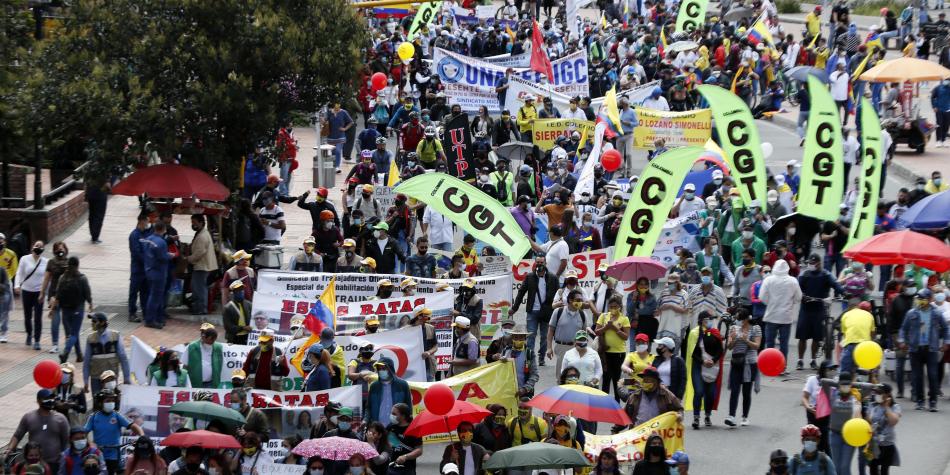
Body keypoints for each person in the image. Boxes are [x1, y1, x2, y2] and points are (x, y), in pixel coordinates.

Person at [898, 288, 949, 411]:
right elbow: (903, 329)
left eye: (923, 299)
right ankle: (920, 401)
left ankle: (932, 402)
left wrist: (946, 342)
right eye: (919, 299)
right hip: (915, 349)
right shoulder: (911, 313)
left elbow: (946, 328)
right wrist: (902, 341)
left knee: (932, 375)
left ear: (930, 299)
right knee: (917, 376)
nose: (921, 301)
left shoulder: (936, 313)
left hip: (931, 349)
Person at [797, 254, 844, 370]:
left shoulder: (826, 275)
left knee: (817, 337)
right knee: (802, 337)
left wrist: (843, 292)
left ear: (819, 263)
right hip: (806, 308)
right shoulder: (804, 275)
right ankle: (800, 360)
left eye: (813, 263)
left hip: (819, 309)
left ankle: (813, 360)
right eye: (809, 263)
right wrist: (802, 296)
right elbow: (797, 289)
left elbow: (836, 285)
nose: (810, 265)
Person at [6, 390, 70, 474]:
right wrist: (9, 449)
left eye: (51, 398)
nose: (50, 400)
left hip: (54, 463)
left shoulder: (61, 419)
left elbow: (66, 441)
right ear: (38, 401)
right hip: (33, 464)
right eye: (47, 398)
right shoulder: (28, 417)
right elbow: (17, 435)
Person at [85, 391, 144, 474]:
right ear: (100, 403)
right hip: (98, 454)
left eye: (112, 400)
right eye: (107, 401)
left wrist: (142, 436)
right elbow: (84, 433)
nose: (111, 403)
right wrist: (90, 443)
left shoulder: (117, 415)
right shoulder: (93, 417)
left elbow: (133, 426)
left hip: (113, 454)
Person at [759, 260, 802, 370]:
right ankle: (782, 366)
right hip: (786, 317)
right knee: (784, 344)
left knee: (770, 344)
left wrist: (770, 303)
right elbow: (798, 297)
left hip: (771, 315)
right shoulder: (793, 281)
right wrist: (790, 303)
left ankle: (769, 366)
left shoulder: (768, 280)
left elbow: (762, 297)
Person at [685, 311, 724, 429]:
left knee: (710, 393)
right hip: (698, 366)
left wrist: (714, 360)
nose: (711, 321)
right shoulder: (694, 333)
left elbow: (720, 350)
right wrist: (703, 362)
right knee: (699, 391)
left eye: (712, 319)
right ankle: (696, 418)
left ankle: (707, 415)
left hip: (712, 367)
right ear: (702, 320)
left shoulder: (714, 333)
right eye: (709, 319)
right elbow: (693, 353)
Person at [51, 257, 92, 364]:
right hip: (78, 308)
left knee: (70, 334)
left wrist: (52, 309)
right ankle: (66, 353)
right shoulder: (82, 278)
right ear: (78, 265)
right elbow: (87, 293)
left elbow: (58, 295)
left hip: (65, 309)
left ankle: (79, 355)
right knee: (74, 334)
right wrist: (90, 304)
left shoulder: (62, 278)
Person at [725, 307, 761, 428]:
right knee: (735, 390)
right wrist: (734, 339)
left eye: (740, 319)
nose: (738, 321)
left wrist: (746, 340)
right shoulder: (733, 328)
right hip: (736, 362)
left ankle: (745, 417)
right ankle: (731, 416)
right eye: (736, 318)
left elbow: (756, 346)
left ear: (746, 319)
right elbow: (729, 347)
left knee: (746, 391)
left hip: (750, 363)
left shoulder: (755, 328)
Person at [547, 289, 592, 376]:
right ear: (570, 300)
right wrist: (549, 348)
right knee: (561, 376)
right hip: (561, 347)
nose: (580, 303)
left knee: (576, 376)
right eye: (578, 300)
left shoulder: (583, 315)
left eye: (581, 301)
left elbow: (584, 334)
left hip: (577, 348)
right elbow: (550, 331)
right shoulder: (558, 312)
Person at [83, 313, 130, 395]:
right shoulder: (90, 338)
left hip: (111, 378)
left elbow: (123, 358)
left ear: (102, 323)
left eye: (94, 321)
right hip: (96, 378)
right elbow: (86, 361)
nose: (92, 323)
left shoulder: (115, 336)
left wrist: (126, 378)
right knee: (97, 402)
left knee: (112, 400)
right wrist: (86, 381)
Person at [594, 295, 630, 400]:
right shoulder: (603, 316)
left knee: (616, 380)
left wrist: (614, 328)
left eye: (615, 306)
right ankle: (605, 405)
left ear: (620, 307)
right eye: (611, 306)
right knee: (606, 378)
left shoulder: (624, 319)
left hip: (619, 353)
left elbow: (626, 337)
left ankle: (616, 404)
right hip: (605, 353)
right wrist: (606, 327)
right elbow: (597, 331)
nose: (613, 309)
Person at [16, 240, 49, 350]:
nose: (38, 248)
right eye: (36, 246)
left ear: (43, 249)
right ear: (32, 247)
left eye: (40, 246)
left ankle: (37, 340)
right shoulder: (24, 259)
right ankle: (29, 334)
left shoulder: (46, 261)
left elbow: (47, 278)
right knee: (27, 316)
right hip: (26, 291)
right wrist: (17, 285)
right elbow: (19, 273)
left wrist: (45, 293)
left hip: (39, 292)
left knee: (38, 317)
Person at [827, 372, 862, 475]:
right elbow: (824, 382)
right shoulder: (833, 395)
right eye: (843, 385)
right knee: (837, 468)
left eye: (848, 384)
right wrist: (836, 383)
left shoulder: (855, 397)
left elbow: (868, 388)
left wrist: (855, 385)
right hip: (835, 435)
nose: (845, 387)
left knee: (844, 467)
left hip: (850, 436)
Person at [801, 361, 837, 454]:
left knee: (826, 443)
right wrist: (808, 407)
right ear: (823, 370)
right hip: (813, 414)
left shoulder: (835, 382)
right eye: (829, 369)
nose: (832, 371)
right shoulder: (812, 380)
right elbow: (805, 397)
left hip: (827, 416)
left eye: (833, 369)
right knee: (812, 442)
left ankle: (829, 465)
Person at [185, 215, 217, 315]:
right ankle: (199, 307)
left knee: (199, 288)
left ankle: (201, 309)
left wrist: (188, 259)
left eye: (194, 222)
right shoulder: (201, 233)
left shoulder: (202, 236)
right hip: (202, 266)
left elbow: (199, 253)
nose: (193, 225)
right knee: (199, 288)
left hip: (202, 266)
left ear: (201, 222)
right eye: (192, 222)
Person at [142, 222, 171, 329]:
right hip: (159, 273)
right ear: (163, 229)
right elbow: (163, 257)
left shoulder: (148, 239)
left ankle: (156, 318)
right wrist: (170, 256)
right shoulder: (162, 242)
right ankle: (150, 320)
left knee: (152, 295)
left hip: (149, 270)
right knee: (155, 297)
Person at [367, 356, 411, 425]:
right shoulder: (374, 386)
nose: (381, 371)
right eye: (379, 369)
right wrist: (365, 420)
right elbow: (368, 407)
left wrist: (406, 423)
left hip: (396, 427)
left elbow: (408, 407)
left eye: (384, 368)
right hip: (378, 428)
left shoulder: (402, 385)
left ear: (390, 369)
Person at [839, 298, 876, 375]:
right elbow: (872, 333)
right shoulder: (869, 315)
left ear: (849, 307)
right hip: (865, 346)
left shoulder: (845, 315)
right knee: (867, 372)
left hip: (850, 346)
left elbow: (845, 335)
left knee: (845, 373)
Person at [656, 273, 690, 351]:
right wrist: (661, 308)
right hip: (665, 326)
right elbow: (658, 309)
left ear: (677, 283)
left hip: (679, 327)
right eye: (669, 283)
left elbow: (686, 310)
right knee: (663, 350)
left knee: (674, 351)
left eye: (673, 283)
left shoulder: (684, 294)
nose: (671, 284)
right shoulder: (664, 293)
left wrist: (671, 306)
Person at [184, 323, 223, 389]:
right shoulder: (192, 347)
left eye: (205, 332)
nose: (203, 334)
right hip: (195, 385)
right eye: (202, 332)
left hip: (212, 384)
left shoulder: (218, 348)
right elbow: (184, 365)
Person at [387, 403, 423, 474]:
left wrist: (405, 457)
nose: (391, 416)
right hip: (391, 467)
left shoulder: (414, 429)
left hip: (408, 469)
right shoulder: (391, 427)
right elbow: (383, 440)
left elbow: (419, 450)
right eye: (391, 413)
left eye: (394, 414)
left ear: (403, 416)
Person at [651, 336, 687, 401]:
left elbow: (683, 380)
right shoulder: (656, 360)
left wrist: (679, 396)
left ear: (666, 347)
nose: (658, 347)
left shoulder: (679, 361)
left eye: (660, 345)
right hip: (657, 394)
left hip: (672, 395)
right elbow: (652, 376)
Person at [222, 281, 253, 345]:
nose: (241, 292)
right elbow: (228, 327)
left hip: (247, 337)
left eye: (242, 290)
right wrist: (243, 328)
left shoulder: (249, 304)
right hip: (234, 338)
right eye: (238, 290)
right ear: (232, 293)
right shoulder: (228, 308)